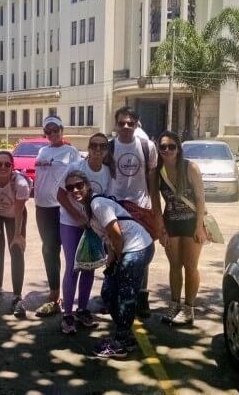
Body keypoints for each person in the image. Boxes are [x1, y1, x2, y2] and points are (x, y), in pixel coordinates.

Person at [64, 170, 154, 358]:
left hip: (138, 247)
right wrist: (111, 264)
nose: (75, 190)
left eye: (79, 185)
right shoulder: (87, 209)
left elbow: (116, 234)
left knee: (125, 293)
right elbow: (108, 239)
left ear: (87, 186)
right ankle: (125, 334)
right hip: (125, 249)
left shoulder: (97, 204)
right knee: (108, 292)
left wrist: (119, 261)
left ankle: (121, 343)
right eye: (70, 187)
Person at [55, 133, 114, 333]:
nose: (98, 150)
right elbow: (61, 195)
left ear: (107, 150)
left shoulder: (107, 172)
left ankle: (82, 310)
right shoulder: (77, 168)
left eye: (102, 146)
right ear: (88, 148)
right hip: (71, 223)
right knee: (73, 266)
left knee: (89, 266)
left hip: (94, 226)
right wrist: (78, 217)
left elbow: (107, 200)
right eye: (94, 145)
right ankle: (68, 315)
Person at [151, 131, 207, 326]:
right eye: (163, 147)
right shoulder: (157, 172)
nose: (167, 150)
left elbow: (200, 199)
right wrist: (161, 230)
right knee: (175, 266)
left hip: (192, 223)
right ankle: (174, 304)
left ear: (178, 149)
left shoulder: (190, 168)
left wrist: (199, 227)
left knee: (190, 266)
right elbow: (156, 205)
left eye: (171, 146)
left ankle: (189, 307)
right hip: (171, 223)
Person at [108, 106, 158, 318]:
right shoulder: (109, 148)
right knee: (116, 252)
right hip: (116, 207)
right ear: (116, 125)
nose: (126, 127)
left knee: (142, 254)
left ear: (137, 124)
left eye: (130, 123)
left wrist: (157, 213)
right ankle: (117, 295)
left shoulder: (147, 147)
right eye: (122, 123)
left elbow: (153, 182)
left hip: (141, 208)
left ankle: (141, 297)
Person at [33, 116, 81, 317]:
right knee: (49, 251)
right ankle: (54, 294)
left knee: (69, 253)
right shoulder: (42, 151)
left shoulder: (71, 152)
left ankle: (70, 296)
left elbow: (77, 180)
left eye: (56, 130)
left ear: (62, 129)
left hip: (60, 208)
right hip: (42, 208)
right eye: (48, 131)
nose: (52, 134)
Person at [0, 151, 29, 318]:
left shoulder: (20, 183)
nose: (3, 167)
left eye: (7, 164)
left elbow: (19, 211)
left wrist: (17, 235)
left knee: (16, 250)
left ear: (12, 167)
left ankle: (17, 297)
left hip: (14, 215)